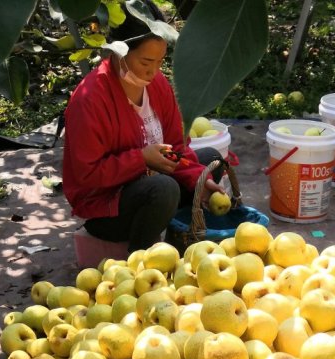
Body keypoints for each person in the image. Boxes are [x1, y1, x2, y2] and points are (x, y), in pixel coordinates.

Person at [62, 1, 227, 252]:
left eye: (160, 62)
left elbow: (175, 148)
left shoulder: (158, 85)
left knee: (210, 161)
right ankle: (141, 264)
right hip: (108, 208)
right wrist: (141, 160)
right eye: (145, 62)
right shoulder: (90, 99)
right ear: (118, 53)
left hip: (154, 185)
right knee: (164, 188)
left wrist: (196, 179)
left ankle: (179, 236)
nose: (153, 72)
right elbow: (88, 176)